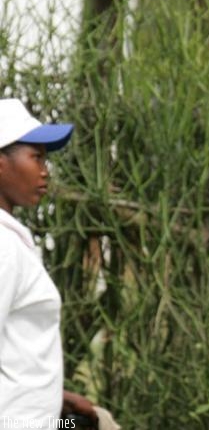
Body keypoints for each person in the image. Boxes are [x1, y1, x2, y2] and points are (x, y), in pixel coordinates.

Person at [0, 98, 118, 429]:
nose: (44, 171)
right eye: (35, 157)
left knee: (101, 423)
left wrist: (57, 396)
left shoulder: (11, 239)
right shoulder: (4, 248)